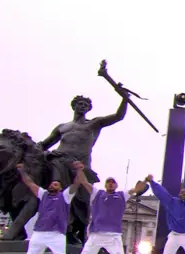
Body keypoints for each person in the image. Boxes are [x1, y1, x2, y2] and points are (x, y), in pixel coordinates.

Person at [38, 92, 130, 244]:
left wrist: (125, 99)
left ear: (89, 109)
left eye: (85, 105)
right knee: (59, 194)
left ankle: (78, 231)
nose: (82, 106)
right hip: (60, 161)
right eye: (79, 104)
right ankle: (60, 228)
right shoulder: (62, 127)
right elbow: (44, 144)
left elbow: (118, 116)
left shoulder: (94, 124)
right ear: (73, 106)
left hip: (81, 166)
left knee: (82, 201)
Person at [63, 174, 147, 254]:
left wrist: (146, 180)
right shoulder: (97, 193)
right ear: (105, 184)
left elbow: (137, 188)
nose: (110, 184)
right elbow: (84, 182)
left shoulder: (122, 195)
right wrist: (80, 170)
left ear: (116, 185)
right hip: (96, 233)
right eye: (108, 182)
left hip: (113, 235)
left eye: (113, 182)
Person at [9, 162, 83, 254]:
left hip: (56, 233)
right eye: (51, 183)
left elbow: (76, 184)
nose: (52, 185)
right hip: (40, 232)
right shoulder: (43, 194)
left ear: (60, 188)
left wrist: (79, 170)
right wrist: (22, 171)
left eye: (55, 184)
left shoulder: (65, 196)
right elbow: (29, 183)